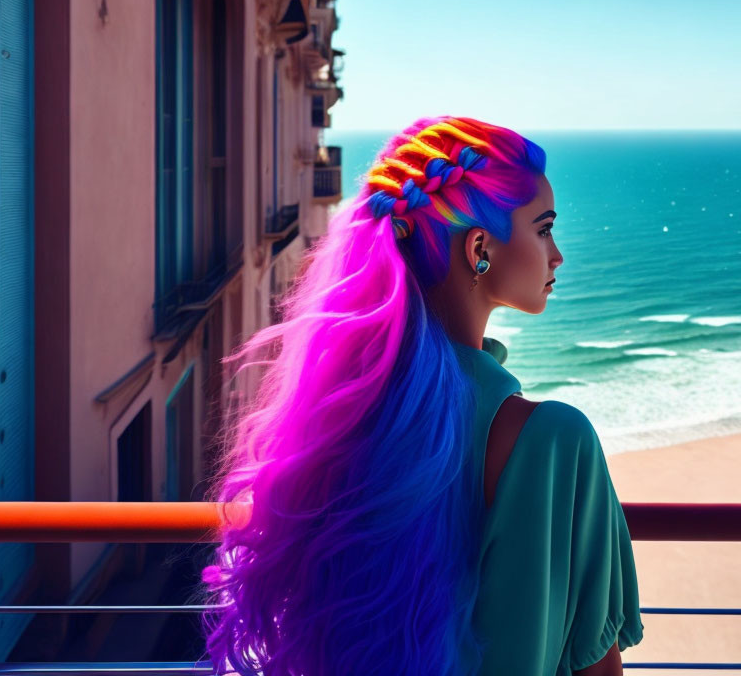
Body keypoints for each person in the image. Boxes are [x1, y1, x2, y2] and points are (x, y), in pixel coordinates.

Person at [198, 117, 644, 676]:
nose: (557, 256)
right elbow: (597, 670)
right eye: (544, 228)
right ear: (479, 248)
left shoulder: (339, 421)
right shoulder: (554, 439)